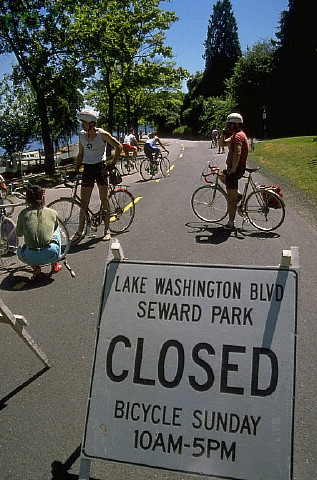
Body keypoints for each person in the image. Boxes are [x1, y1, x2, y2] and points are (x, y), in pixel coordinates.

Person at [73, 109, 122, 243]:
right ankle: (80, 231)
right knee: (84, 203)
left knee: (104, 199)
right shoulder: (81, 135)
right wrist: (76, 169)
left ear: (91, 123)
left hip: (100, 167)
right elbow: (81, 153)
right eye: (81, 122)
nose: (82, 125)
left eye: (84, 122)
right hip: (88, 169)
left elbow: (119, 147)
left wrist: (112, 164)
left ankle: (107, 230)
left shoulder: (102, 135)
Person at [16, 185, 62, 279]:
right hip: (51, 253)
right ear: (43, 197)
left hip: (30, 257)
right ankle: (55, 264)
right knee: (56, 230)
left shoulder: (23, 214)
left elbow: (19, 233)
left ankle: (35, 266)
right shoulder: (52, 213)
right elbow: (53, 229)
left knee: (21, 248)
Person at [220, 113, 249, 231]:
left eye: (230, 124)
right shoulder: (235, 135)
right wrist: (223, 134)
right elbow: (222, 144)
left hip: (236, 169)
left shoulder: (238, 137)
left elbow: (237, 153)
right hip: (235, 168)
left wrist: (233, 169)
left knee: (231, 199)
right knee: (220, 174)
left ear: (236, 124)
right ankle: (238, 194)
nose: (228, 125)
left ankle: (230, 223)